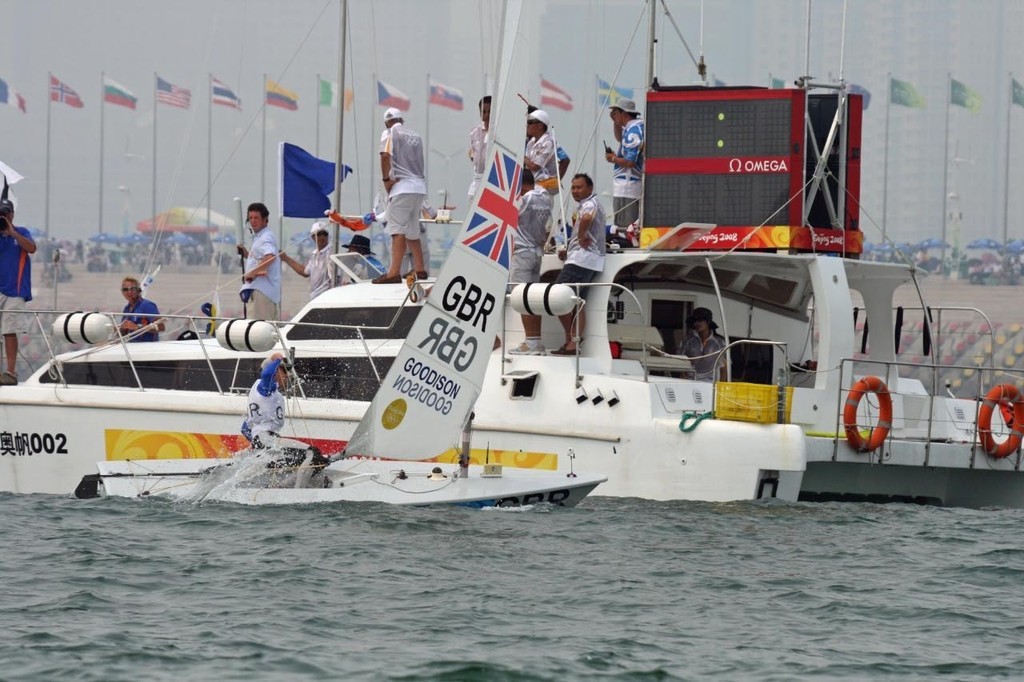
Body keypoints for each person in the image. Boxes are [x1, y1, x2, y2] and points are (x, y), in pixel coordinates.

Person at [551, 174, 606, 356]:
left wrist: (581, 235)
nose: (575, 191)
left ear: (589, 188)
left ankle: (570, 339)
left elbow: (587, 218)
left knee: (556, 298)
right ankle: (574, 343)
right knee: (577, 303)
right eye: (573, 187)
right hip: (590, 260)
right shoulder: (590, 203)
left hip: (581, 260)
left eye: (579, 187)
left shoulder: (590, 204)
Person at [374, 108, 428, 283]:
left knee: (397, 230)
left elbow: (385, 157)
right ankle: (420, 270)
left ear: (386, 122)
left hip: (401, 188)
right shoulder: (416, 136)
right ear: (402, 120)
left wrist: (385, 180)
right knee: (413, 231)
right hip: (419, 189)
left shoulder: (389, 133)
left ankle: (393, 273)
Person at [508, 170, 553, 355]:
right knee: (533, 298)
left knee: (520, 297)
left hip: (522, 253)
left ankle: (530, 342)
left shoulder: (524, 200)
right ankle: (536, 341)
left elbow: (505, 214)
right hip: (536, 252)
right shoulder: (544, 196)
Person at [0, 197, 36, 385]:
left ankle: (11, 372)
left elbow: (31, 248)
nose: (4, 217)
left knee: (10, 331)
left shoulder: (21, 232)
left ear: (12, 215)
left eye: (6, 213)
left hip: (15, 290)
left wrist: (12, 233)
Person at [236, 202, 281, 320]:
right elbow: (260, 258)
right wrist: (246, 254)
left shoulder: (266, 237)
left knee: (258, 332)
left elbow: (270, 257)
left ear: (265, 219)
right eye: (250, 218)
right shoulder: (260, 237)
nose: (253, 221)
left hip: (261, 292)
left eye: (256, 218)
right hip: (261, 292)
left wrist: (252, 273)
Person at [606, 99, 645, 229]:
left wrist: (613, 159)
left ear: (624, 113)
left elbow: (630, 162)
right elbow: (620, 139)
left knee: (624, 228)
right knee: (626, 228)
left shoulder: (633, 131)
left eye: (615, 112)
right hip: (629, 186)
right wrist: (615, 123)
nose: (613, 115)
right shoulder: (635, 128)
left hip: (627, 187)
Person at [280, 221, 335, 300]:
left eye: (324, 234)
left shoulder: (332, 253)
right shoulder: (314, 255)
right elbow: (305, 272)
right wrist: (286, 258)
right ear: (313, 237)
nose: (322, 237)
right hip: (316, 299)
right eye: (319, 234)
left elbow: (335, 278)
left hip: (327, 299)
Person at [682, 307, 727, 382]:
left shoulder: (719, 342)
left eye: (700, 320)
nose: (697, 323)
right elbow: (680, 362)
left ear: (708, 322)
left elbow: (724, 367)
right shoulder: (688, 341)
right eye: (695, 321)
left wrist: (721, 386)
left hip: (710, 382)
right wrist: (684, 378)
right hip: (691, 380)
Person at [118, 276, 165, 342]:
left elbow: (161, 327)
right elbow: (124, 333)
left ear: (138, 290)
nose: (129, 292)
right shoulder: (127, 308)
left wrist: (137, 327)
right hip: (132, 347)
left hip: (147, 347)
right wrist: (118, 329)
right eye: (125, 289)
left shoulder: (147, 305)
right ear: (122, 292)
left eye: (132, 289)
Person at [525, 109, 559, 195]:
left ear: (540, 125)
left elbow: (535, 166)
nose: (527, 125)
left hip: (545, 188)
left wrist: (522, 156)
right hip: (533, 185)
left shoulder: (549, 141)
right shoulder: (531, 142)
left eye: (530, 122)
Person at [468, 95, 491, 197]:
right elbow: (472, 153)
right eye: (483, 112)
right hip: (477, 179)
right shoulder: (474, 132)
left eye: (489, 111)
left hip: (492, 180)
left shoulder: (498, 133)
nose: (486, 115)